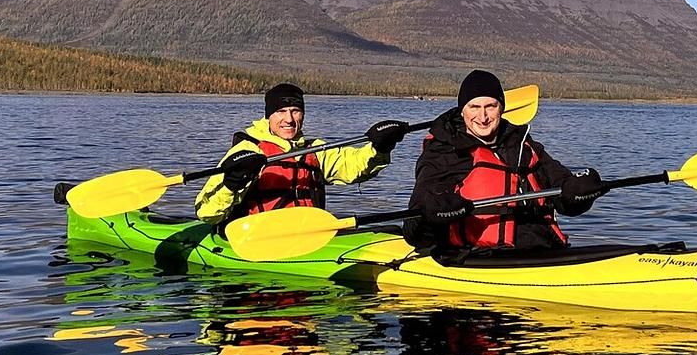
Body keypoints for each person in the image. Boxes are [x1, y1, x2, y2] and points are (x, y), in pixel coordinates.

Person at [407, 70, 602, 252]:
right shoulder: (444, 154)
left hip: (544, 251)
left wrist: (580, 192)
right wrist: (433, 213)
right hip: (476, 257)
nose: (482, 117)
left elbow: (565, 194)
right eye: (474, 107)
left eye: (490, 107)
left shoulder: (524, 146)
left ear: (501, 108)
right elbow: (415, 229)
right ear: (462, 111)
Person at [196, 82, 409, 227]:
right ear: (268, 116)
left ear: (303, 115)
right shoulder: (248, 151)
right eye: (280, 112)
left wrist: (381, 147)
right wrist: (230, 185)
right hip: (258, 238)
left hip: (308, 235)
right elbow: (206, 212)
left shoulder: (315, 149)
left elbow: (354, 166)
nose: (288, 119)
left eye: (295, 111)